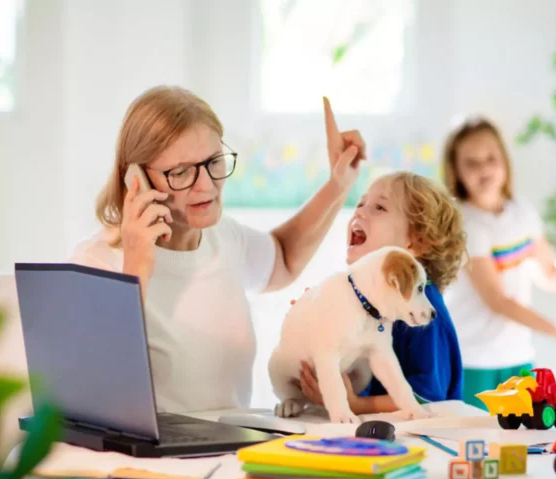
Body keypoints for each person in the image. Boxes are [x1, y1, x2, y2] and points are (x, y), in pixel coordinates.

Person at [70, 86, 366, 414]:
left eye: (213, 162)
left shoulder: (222, 237)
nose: (207, 185)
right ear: (136, 178)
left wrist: (339, 184)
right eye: (181, 172)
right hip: (151, 463)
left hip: (233, 454)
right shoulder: (95, 263)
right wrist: (137, 266)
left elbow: (281, 257)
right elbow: (91, 395)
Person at [441, 116, 556, 410]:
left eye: (490, 158)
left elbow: (549, 272)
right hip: (473, 361)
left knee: (522, 447)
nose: (484, 169)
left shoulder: (522, 212)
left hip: (518, 358)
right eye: (471, 163)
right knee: (477, 449)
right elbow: (498, 300)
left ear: (504, 160)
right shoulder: (465, 223)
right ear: (456, 171)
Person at [297, 172, 467, 414]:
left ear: (415, 243)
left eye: (379, 208)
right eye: (360, 203)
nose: (360, 212)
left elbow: (430, 399)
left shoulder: (425, 314)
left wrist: (355, 405)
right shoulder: (363, 302)